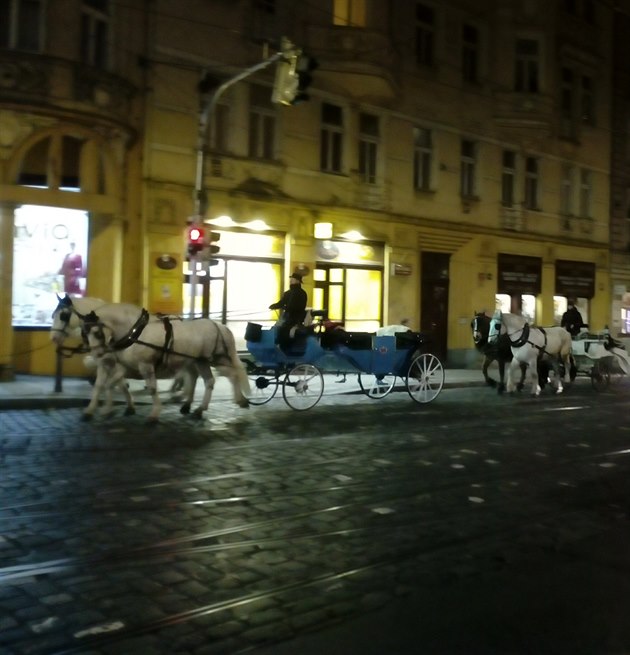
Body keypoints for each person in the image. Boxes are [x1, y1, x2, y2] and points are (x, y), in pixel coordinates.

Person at [269, 273, 308, 346]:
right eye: (291, 279)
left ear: (298, 281)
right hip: (287, 316)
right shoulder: (288, 293)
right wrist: (274, 306)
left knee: (281, 329)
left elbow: (299, 307)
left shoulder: (301, 293)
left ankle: (282, 345)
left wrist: (284, 307)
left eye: (292, 279)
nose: (290, 280)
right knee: (276, 328)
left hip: (295, 318)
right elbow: (281, 302)